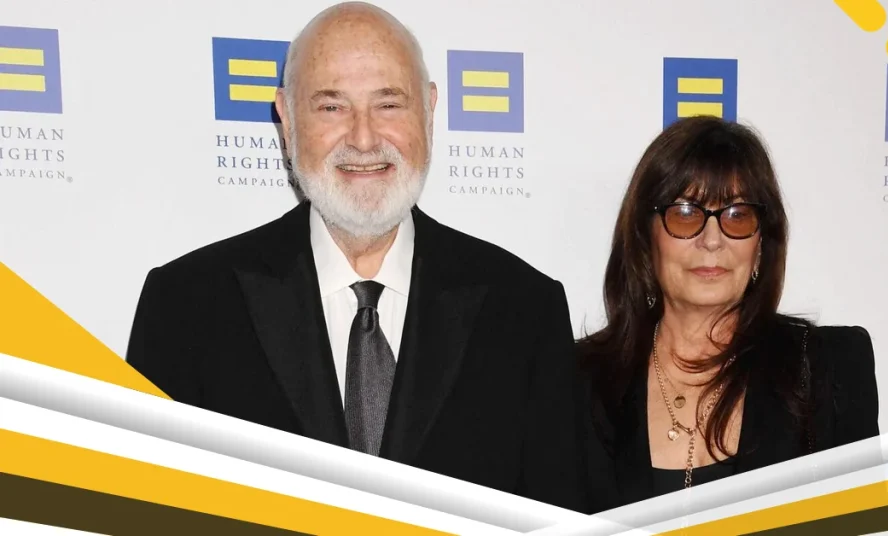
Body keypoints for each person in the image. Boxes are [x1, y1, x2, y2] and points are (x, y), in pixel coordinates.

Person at [125, 2, 585, 512]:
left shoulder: (524, 309)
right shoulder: (185, 306)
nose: (364, 138)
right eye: (331, 107)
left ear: (429, 111)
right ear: (286, 118)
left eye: (388, 104)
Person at [577, 116, 880, 511]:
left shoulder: (828, 370)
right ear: (645, 238)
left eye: (737, 215)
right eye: (686, 213)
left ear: (761, 243)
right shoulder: (579, 382)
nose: (712, 240)